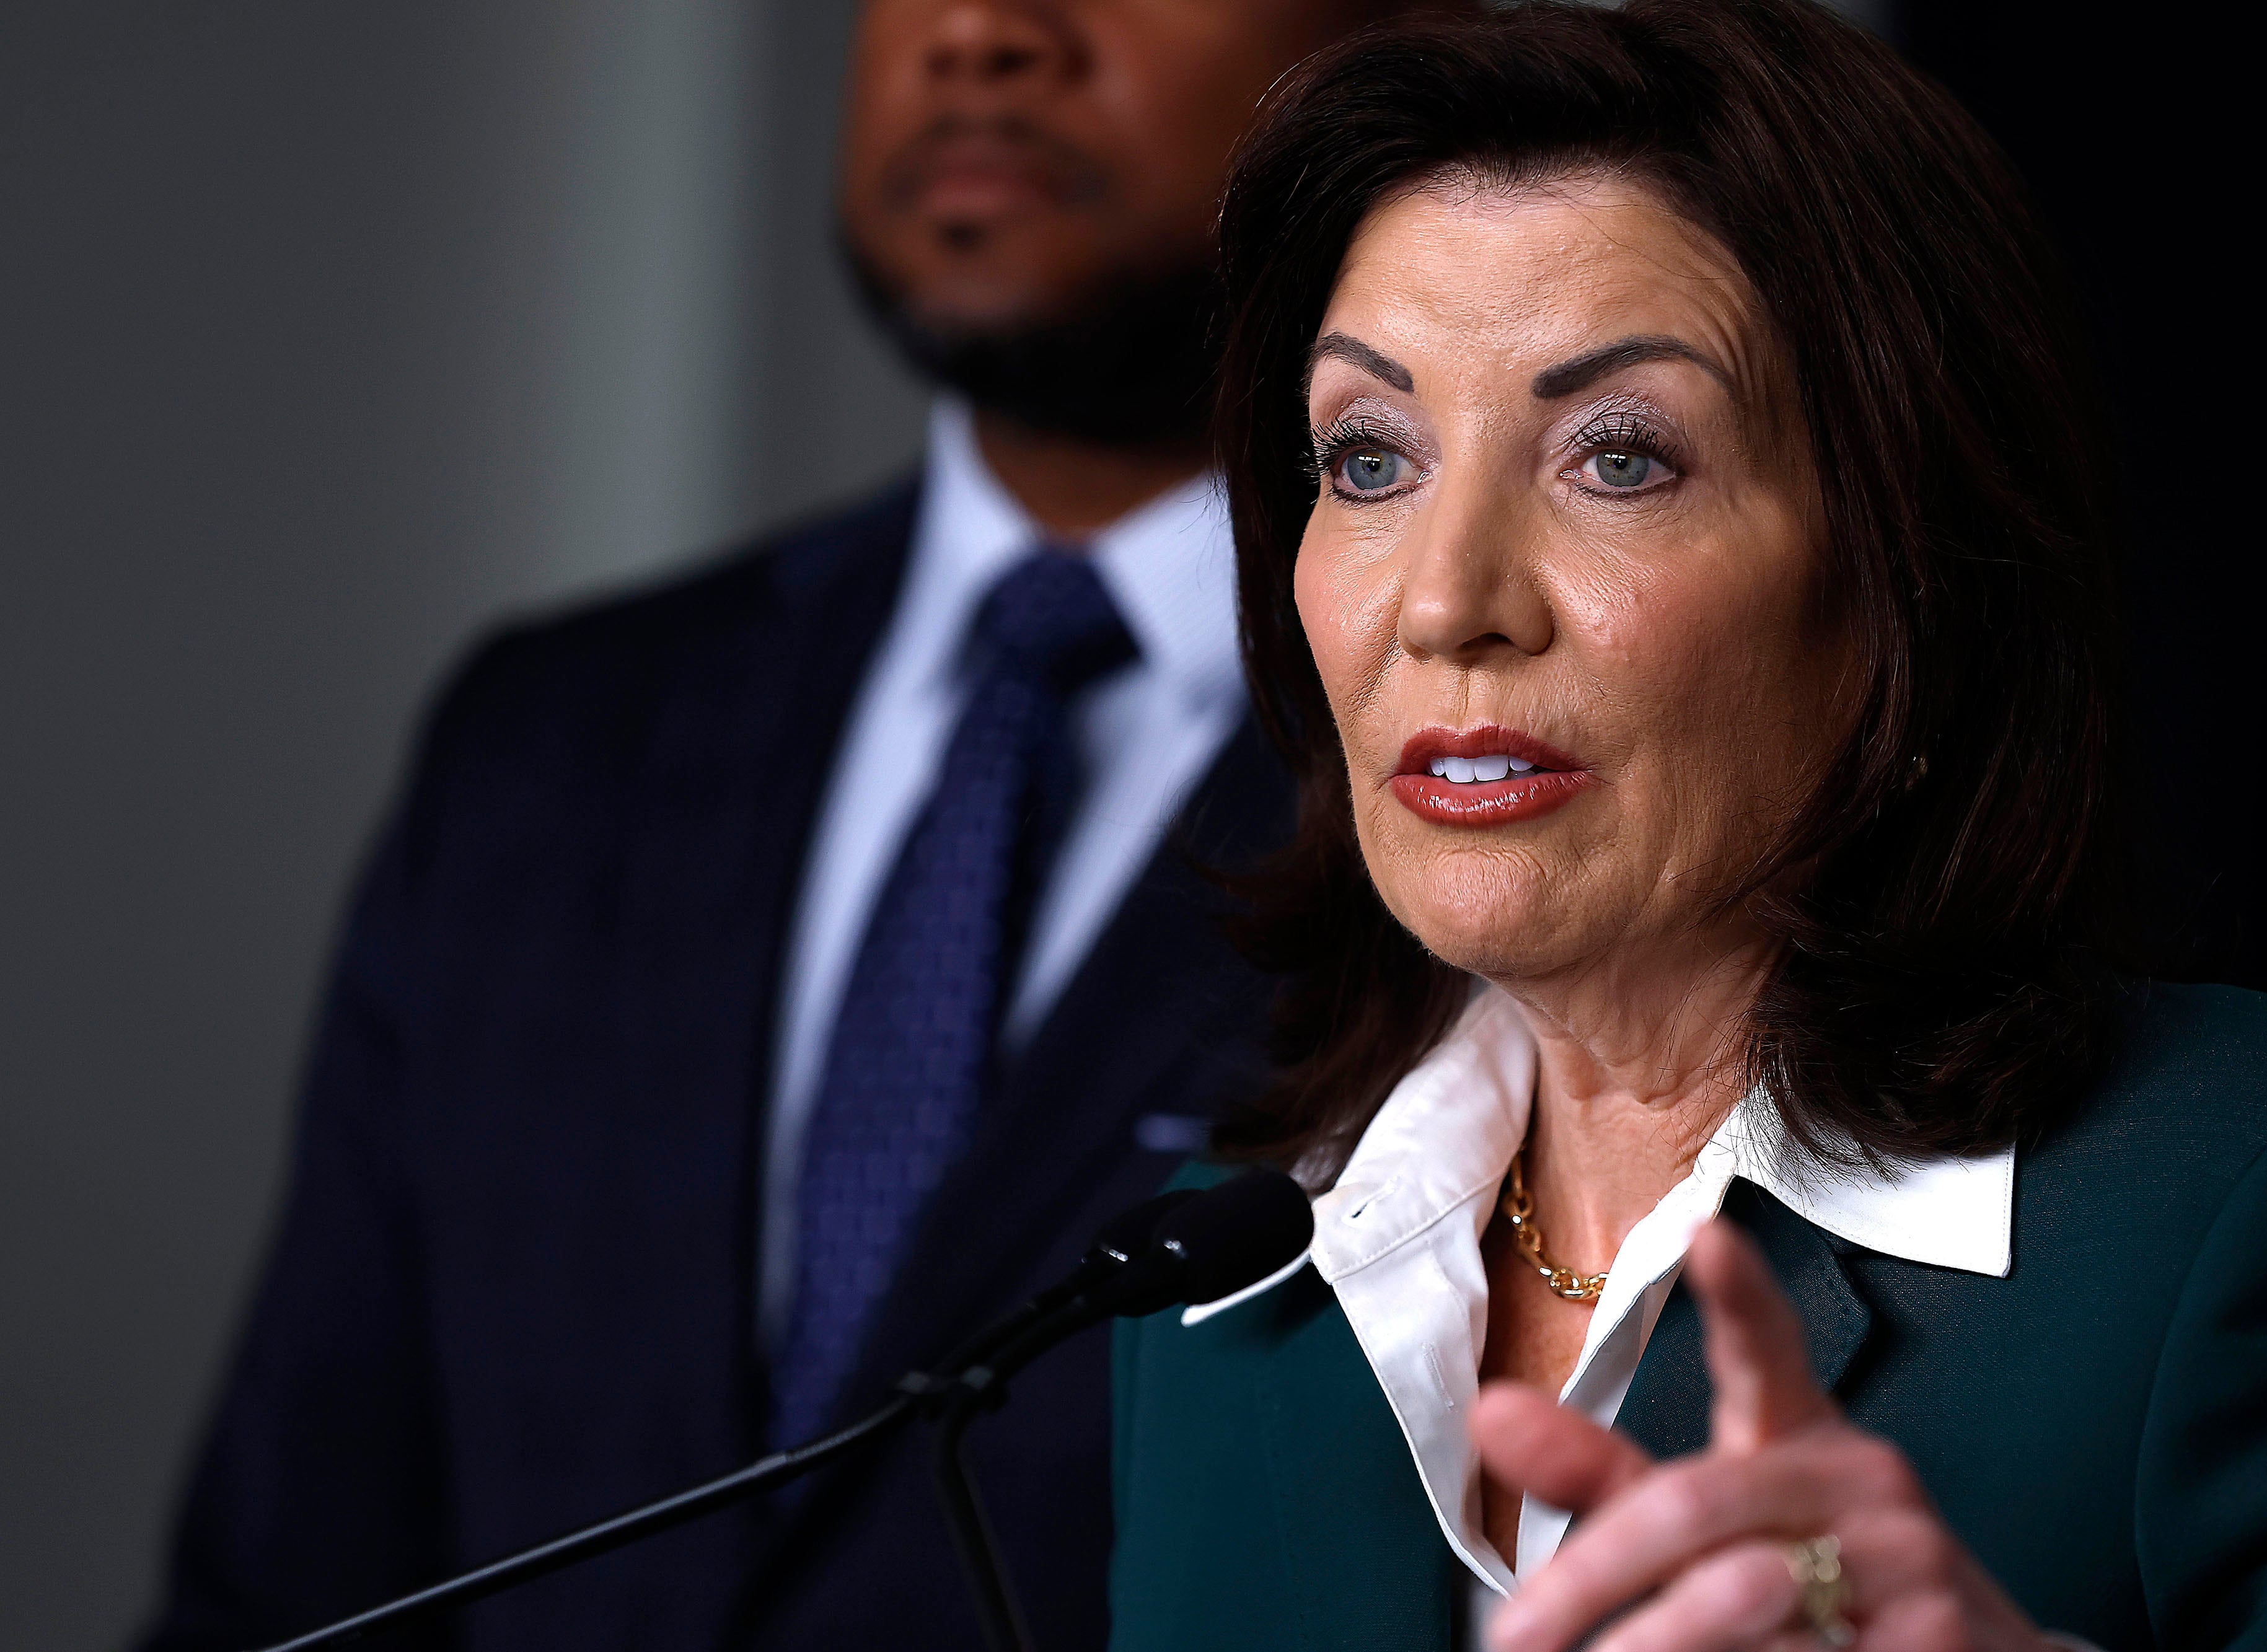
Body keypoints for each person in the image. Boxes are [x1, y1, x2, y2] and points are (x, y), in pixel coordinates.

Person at [1109, 4, 2267, 1651]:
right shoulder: (1216, 1292)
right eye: (1369, 456)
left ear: (1909, 559)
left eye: (1620, 457)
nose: (1450, 601)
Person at [139, 4, 1440, 1650]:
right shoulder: (544, 744)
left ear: (1425, 36)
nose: (981, 34)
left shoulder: (1511, 784)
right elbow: (284, 1581)